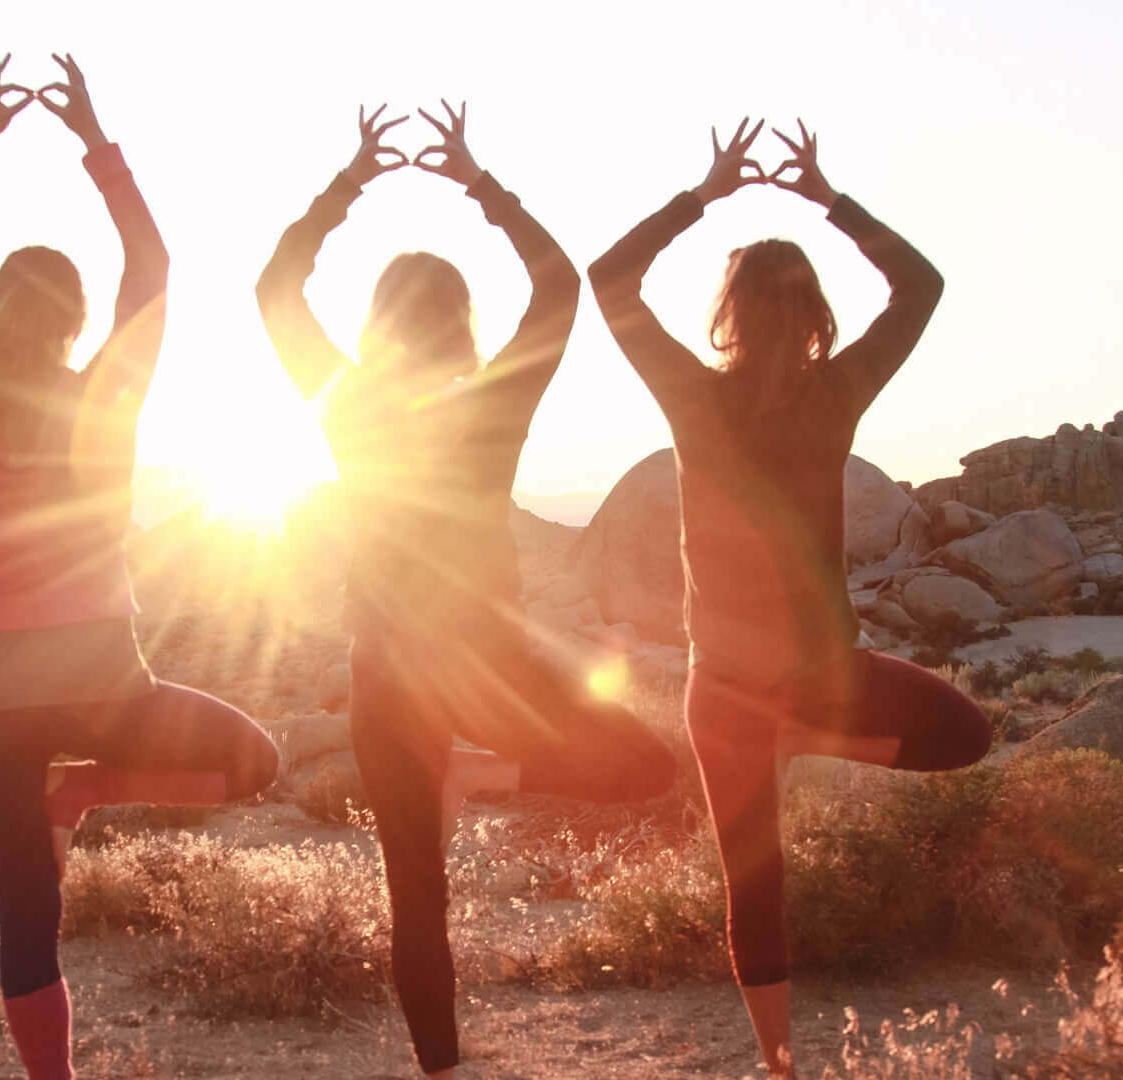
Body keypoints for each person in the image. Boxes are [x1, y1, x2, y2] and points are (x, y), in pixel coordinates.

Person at [256, 102, 678, 1079]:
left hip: (389, 677)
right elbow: (556, 287)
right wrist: (480, 184)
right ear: (461, 326)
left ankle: (440, 1069)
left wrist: (349, 182)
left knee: (418, 897)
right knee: (644, 767)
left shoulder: (348, 403)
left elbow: (277, 288)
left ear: (378, 326)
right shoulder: (496, 399)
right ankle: (489, 777)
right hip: (491, 664)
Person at [587, 118, 993, 1077]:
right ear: (814, 317)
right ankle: (808, 736)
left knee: (753, 881)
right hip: (823, 679)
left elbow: (608, 281)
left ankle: (779, 1065)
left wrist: (703, 195)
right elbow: (922, 286)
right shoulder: (839, 388)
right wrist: (827, 196)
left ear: (728, 316)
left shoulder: (692, 395)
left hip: (723, 688)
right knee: (966, 735)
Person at [0, 54, 279, 1080]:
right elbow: (152, 267)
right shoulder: (109, 393)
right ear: (74, 318)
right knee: (259, 760)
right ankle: (90, 789)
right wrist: (97, 144)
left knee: (28, 919)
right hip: (107, 683)